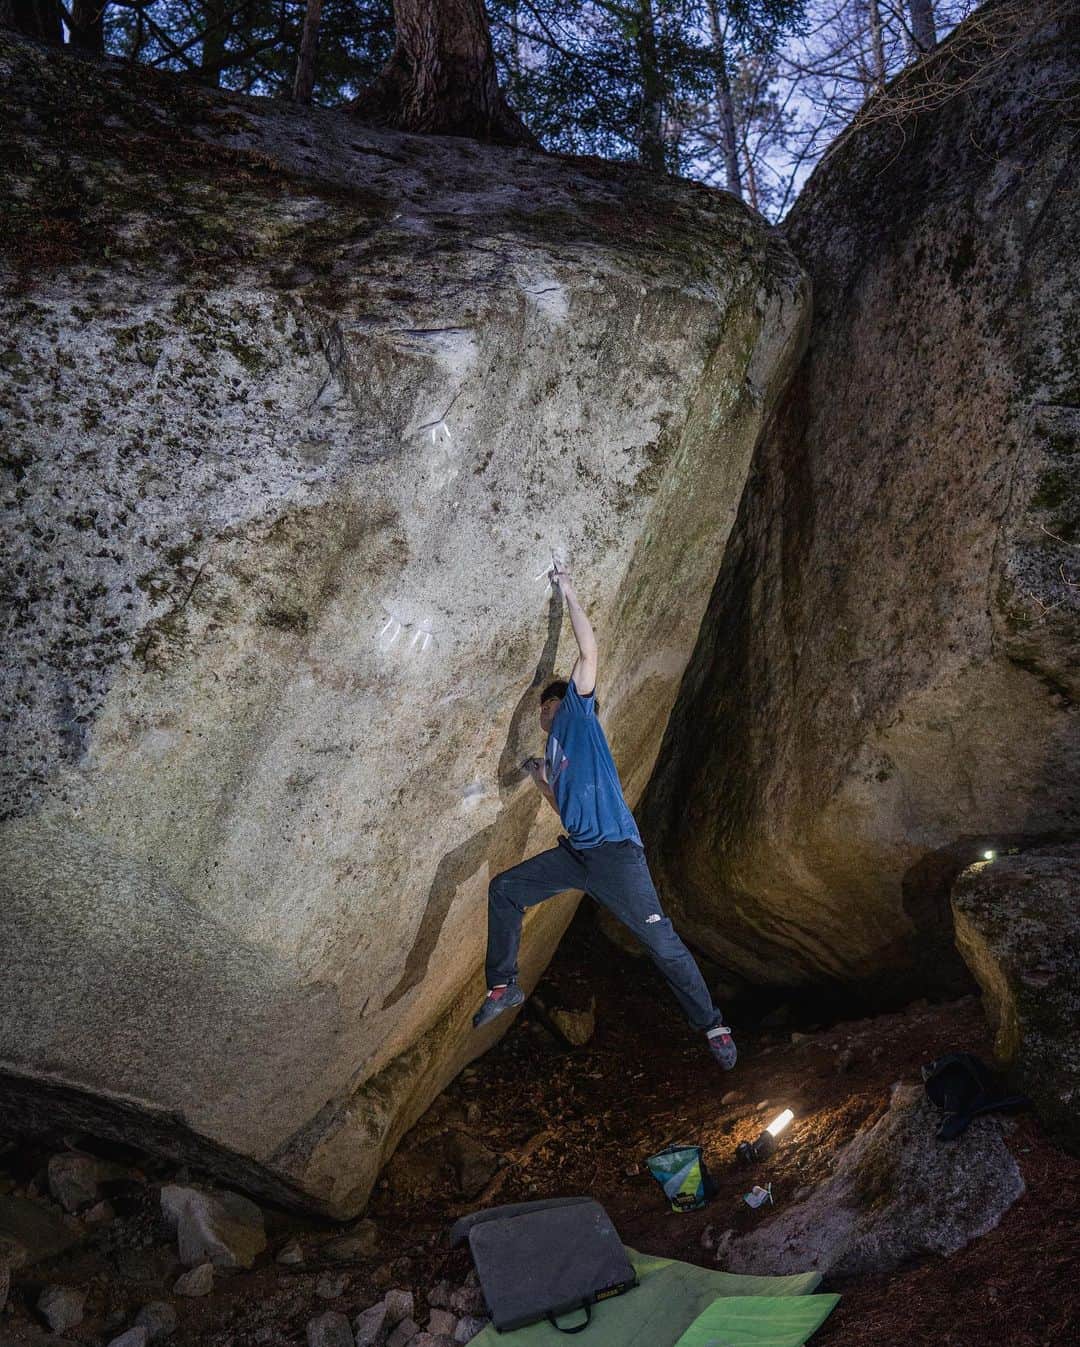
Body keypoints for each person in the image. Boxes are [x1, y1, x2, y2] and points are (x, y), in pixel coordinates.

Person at [473, 565, 737, 1070]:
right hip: (578, 855)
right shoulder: (557, 755)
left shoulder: (576, 715)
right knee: (505, 889)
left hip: (616, 857)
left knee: (662, 943)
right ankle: (503, 985)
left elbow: (588, 653)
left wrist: (568, 592)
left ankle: (713, 1026)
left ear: (555, 703)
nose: (538, 716)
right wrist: (537, 776)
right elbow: (566, 810)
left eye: (541, 709)